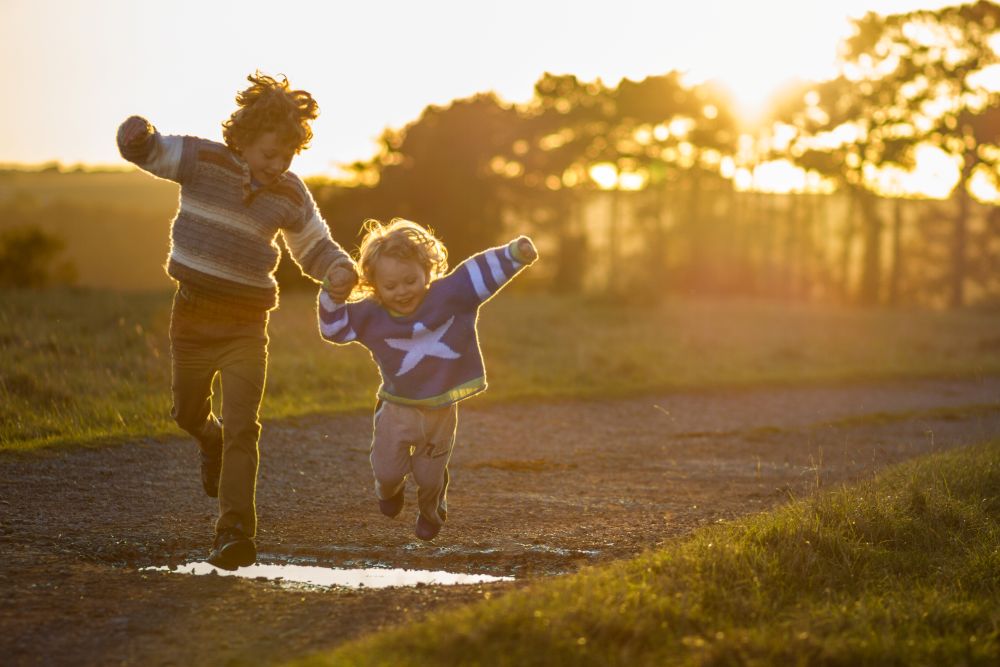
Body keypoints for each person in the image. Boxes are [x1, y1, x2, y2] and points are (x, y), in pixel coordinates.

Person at [117, 72, 358, 570]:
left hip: (247, 326)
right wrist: (136, 138)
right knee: (187, 412)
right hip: (193, 316)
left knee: (244, 429)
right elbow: (153, 152)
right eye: (270, 154)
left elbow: (314, 246)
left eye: (288, 157)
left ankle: (233, 534)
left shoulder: (290, 193)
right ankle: (208, 439)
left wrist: (337, 269)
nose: (278, 165)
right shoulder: (203, 161)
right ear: (243, 140)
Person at [317, 218, 538, 540]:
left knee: (429, 477)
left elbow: (476, 274)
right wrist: (332, 295)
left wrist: (514, 254)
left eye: (410, 280)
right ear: (375, 286)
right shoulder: (370, 313)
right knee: (387, 470)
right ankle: (389, 491)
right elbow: (333, 330)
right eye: (390, 286)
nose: (402, 291)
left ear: (427, 271)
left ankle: (431, 511)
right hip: (396, 408)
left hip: (440, 410)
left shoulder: (448, 295)